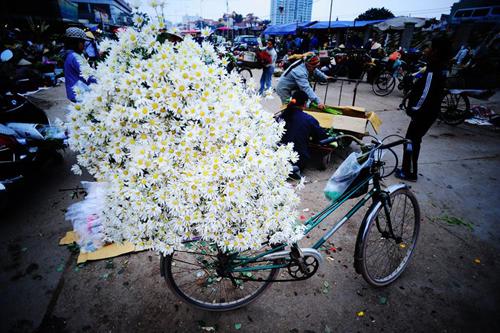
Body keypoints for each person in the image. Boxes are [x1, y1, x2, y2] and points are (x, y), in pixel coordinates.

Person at [395, 36, 452, 182]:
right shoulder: (437, 67)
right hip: (428, 112)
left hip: (424, 113)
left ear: (436, 51)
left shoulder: (434, 70)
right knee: (412, 140)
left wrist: (414, 109)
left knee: (411, 141)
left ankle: (409, 173)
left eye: (429, 47)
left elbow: (425, 95)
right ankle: (407, 170)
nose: (426, 50)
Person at [277, 90, 328, 172]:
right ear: (305, 103)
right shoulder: (308, 119)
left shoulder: (281, 116)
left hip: (278, 157)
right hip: (298, 162)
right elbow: (322, 137)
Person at [63, 27, 96, 103]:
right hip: (80, 94)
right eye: (83, 42)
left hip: (74, 93)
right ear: (75, 42)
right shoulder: (75, 57)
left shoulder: (69, 55)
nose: (84, 45)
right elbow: (88, 75)